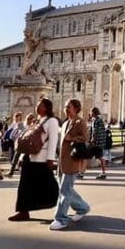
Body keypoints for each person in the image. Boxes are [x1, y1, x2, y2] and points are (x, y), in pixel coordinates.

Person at [9, 98, 60, 222]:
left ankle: (69, 204)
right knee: (24, 187)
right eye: (37, 105)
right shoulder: (37, 121)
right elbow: (28, 138)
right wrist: (22, 156)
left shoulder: (52, 121)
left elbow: (53, 140)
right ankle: (23, 211)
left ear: (47, 108)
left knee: (51, 187)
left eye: (40, 105)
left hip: (42, 160)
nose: (37, 107)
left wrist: (50, 159)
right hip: (30, 158)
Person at [49, 99, 91, 231]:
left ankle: (60, 219)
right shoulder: (66, 122)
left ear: (76, 108)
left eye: (69, 107)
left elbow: (85, 138)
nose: (66, 109)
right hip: (62, 161)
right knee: (66, 189)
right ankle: (83, 208)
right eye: (65, 107)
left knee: (64, 190)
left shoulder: (80, 122)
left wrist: (71, 139)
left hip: (72, 161)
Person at [8, 113, 33, 178]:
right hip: (21, 143)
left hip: (28, 145)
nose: (29, 120)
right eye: (28, 118)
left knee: (25, 160)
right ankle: (11, 172)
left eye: (30, 119)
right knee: (16, 157)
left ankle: (24, 173)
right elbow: (16, 132)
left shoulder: (33, 126)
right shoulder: (23, 125)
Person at [89, 107, 108, 179]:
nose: (90, 113)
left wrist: (92, 141)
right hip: (100, 142)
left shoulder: (95, 120)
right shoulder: (100, 120)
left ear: (93, 112)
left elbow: (95, 131)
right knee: (101, 158)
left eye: (90, 112)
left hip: (96, 143)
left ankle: (80, 173)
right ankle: (103, 173)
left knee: (85, 156)